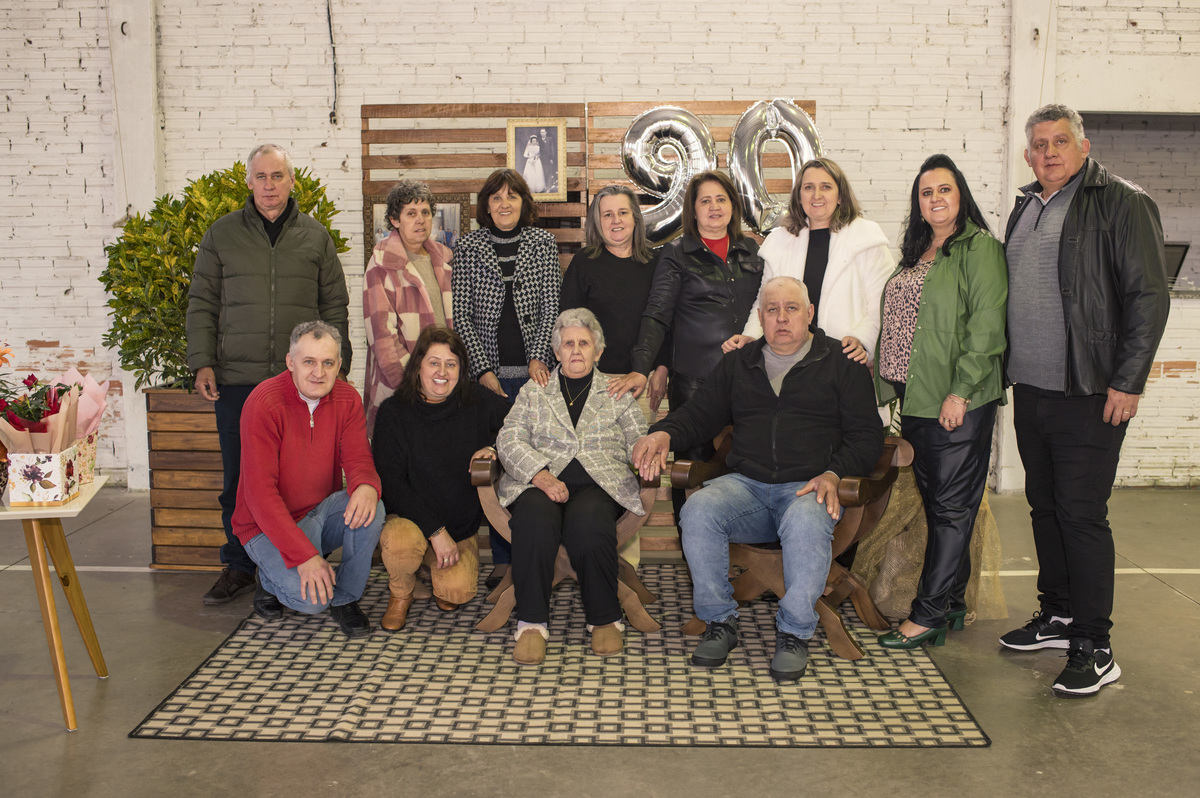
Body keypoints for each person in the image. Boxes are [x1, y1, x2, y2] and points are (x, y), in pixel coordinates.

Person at [632, 277, 883, 682]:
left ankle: (795, 632)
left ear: (809, 313)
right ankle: (720, 622)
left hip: (809, 486)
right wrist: (662, 432)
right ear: (760, 316)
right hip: (746, 485)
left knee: (806, 519)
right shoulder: (739, 363)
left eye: (791, 308)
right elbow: (699, 415)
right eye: (772, 309)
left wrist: (834, 473)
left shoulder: (839, 361)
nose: (781, 318)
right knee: (698, 510)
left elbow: (868, 436)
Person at [999, 104, 1170, 698]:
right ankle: (1060, 614)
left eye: (1060, 142)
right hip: (1033, 388)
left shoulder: (1121, 203)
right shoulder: (1026, 206)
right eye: (1039, 144)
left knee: (1081, 514)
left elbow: (1148, 295)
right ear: (1028, 154)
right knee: (1044, 509)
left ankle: (1094, 643)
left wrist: (1129, 379)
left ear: (1084, 145)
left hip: (1090, 391)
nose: (1048, 152)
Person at [187, 143, 351, 606]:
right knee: (241, 478)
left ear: (291, 181)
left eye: (277, 176)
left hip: (299, 384)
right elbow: (202, 302)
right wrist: (202, 360)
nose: (269, 186)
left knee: (297, 481)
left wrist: (339, 369)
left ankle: (283, 564)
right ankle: (240, 565)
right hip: (238, 380)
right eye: (260, 177)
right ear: (248, 182)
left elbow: (334, 308)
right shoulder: (221, 235)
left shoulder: (316, 237)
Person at [873, 154, 1008, 650]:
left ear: (961, 194)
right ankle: (950, 604)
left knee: (951, 507)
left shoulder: (979, 249)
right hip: (918, 396)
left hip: (958, 399)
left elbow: (987, 328)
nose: (935, 199)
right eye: (926, 192)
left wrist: (962, 392)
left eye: (944, 190)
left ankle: (927, 613)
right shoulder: (919, 252)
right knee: (942, 506)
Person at [495, 309, 648, 666]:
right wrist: (540, 475)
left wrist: (648, 452)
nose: (576, 350)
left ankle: (604, 618)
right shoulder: (536, 390)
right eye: (568, 344)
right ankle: (531, 623)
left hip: (598, 484)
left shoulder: (616, 391)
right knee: (533, 520)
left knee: (590, 524)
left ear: (598, 352)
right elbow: (509, 437)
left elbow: (639, 438)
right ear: (557, 352)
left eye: (584, 343)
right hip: (540, 482)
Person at [611, 170, 765, 517]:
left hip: (750, 380)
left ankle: (740, 555)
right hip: (697, 384)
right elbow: (657, 315)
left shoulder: (751, 250)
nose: (714, 207)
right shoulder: (677, 253)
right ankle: (697, 555)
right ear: (693, 211)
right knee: (692, 475)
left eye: (721, 199)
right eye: (705, 201)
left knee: (745, 471)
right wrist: (641, 368)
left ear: (733, 206)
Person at [233, 321, 383, 639]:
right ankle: (269, 581)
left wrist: (367, 485)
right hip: (263, 528)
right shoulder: (263, 404)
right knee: (312, 602)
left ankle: (346, 598)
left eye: (328, 363)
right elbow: (260, 495)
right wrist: (305, 557)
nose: (319, 372)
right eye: (309, 362)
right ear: (290, 362)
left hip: (317, 513)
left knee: (373, 507)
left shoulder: (347, 399)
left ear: (339, 365)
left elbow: (358, 460)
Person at [452, 168, 561, 584]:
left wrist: (538, 358)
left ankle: (534, 553)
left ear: (523, 203)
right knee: (497, 465)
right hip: (488, 381)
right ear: (486, 205)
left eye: (512, 196)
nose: (504, 204)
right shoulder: (469, 247)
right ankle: (502, 557)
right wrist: (481, 370)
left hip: (536, 378)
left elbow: (551, 305)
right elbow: (462, 315)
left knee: (535, 463)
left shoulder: (543, 244)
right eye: (496, 197)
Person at [371, 326, 510, 631]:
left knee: (455, 594)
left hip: (460, 527)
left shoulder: (475, 399)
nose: (442, 372)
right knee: (399, 545)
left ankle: (431, 570)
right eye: (434, 362)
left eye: (451, 364)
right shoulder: (393, 413)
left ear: (462, 369)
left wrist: (493, 448)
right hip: (411, 521)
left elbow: (519, 421)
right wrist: (435, 532)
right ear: (418, 365)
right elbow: (392, 485)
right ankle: (401, 593)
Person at [723, 157, 894, 366]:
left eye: (826, 187)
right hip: (790, 364)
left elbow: (884, 303)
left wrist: (862, 339)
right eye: (808, 187)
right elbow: (764, 302)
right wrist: (751, 336)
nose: (817, 195)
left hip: (845, 361)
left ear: (840, 196)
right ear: (799, 196)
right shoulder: (780, 241)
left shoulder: (867, 238)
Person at [561, 184, 667, 410]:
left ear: (635, 218)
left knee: (646, 444)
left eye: (622, 213)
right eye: (607, 215)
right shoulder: (584, 263)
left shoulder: (657, 263)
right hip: (596, 379)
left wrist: (663, 368)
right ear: (597, 222)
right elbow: (567, 324)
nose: (616, 220)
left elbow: (669, 321)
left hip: (647, 380)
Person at [362, 179, 453, 436]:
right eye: (411, 213)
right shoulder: (380, 265)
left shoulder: (445, 261)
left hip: (443, 381)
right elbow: (382, 337)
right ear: (395, 220)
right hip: (401, 388)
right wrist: (411, 386)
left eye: (425, 213)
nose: (420, 220)